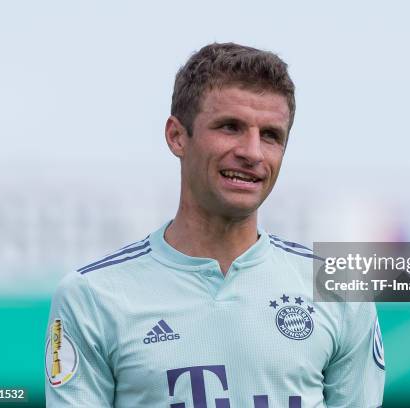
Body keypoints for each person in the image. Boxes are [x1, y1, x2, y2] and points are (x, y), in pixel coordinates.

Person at [45, 42, 385, 407]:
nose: (252, 152)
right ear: (177, 136)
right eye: (230, 127)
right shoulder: (93, 296)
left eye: (270, 135)